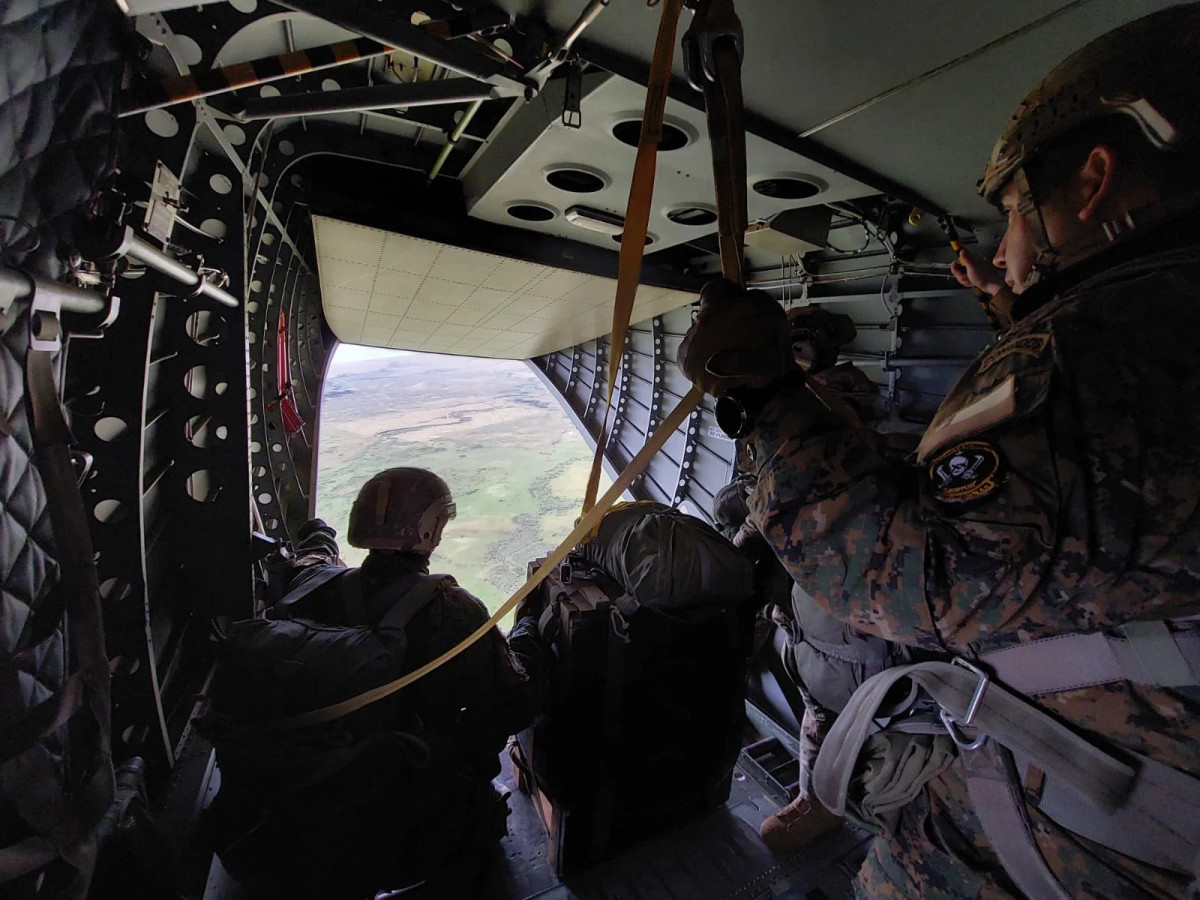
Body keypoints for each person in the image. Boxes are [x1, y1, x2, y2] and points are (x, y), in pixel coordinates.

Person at [678, 7, 1200, 898]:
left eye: (1011, 212)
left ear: (1094, 180)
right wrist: (1013, 304)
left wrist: (763, 392)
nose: (1005, 247)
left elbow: (904, 587)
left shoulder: (1076, 358)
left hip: (1105, 834)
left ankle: (825, 782)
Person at [203, 467, 550, 899]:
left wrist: (318, 533)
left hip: (268, 834)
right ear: (430, 530)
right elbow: (516, 703)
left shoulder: (307, 584)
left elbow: (314, 557)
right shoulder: (451, 611)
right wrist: (530, 631)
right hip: (389, 844)